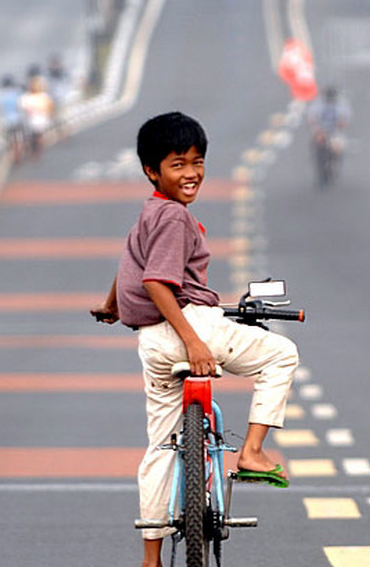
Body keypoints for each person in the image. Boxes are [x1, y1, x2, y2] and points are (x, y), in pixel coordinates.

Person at [90, 112, 299, 567]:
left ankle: (151, 558)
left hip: (152, 342)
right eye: (177, 164)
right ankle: (253, 451)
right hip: (191, 326)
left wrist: (111, 305)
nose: (191, 174)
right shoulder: (176, 219)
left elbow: (132, 267)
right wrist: (195, 343)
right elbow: (156, 282)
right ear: (151, 170)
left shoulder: (149, 213)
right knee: (281, 354)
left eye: (197, 162)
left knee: (161, 448)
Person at [305, 85, 351, 186]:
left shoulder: (341, 104)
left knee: (338, 147)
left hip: (335, 131)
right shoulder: (318, 104)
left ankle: (335, 164)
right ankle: (320, 170)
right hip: (321, 130)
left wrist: (339, 125)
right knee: (317, 146)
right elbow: (312, 118)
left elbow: (344, 120)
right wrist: (318, 130)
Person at [19, 74, 55, 158]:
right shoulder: (44, 96)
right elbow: (50, 109)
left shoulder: (26, 97)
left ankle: (33, 149)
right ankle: (38, 150)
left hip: (30, 122)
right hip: (42, 121)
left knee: (31, 135)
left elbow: (23, 109)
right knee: (39, 135)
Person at [0, 74, 25, 158]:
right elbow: (21, 106)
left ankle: (12, 154)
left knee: (9, 138)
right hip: (17, 119)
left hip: (5, 121)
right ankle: (18, 152)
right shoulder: (17, 93)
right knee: (19, 137)